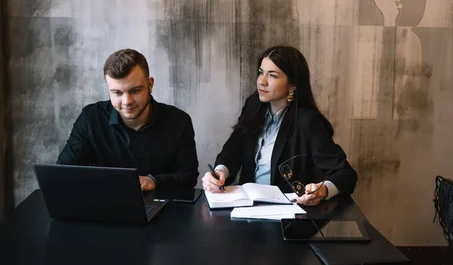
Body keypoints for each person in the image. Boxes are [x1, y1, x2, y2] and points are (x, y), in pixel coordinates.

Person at [202, 46, 357, 206]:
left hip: (288, 215)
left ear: (293, 85)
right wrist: (220, 172)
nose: (262, 81)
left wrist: (322, 190)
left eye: (273, 76)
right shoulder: (253, 106)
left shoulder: (308, 122)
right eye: (261, 72)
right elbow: (232, 151)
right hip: (247, 208)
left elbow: (345, 174)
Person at [57, 49, 199, 191]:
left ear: (150, 85)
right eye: (117, 93)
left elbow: (188, 177)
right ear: (108, 89)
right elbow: (64, 171)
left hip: (162, 206)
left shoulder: (179, 121)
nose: (127, 101)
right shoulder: (91, 118)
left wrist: (153, 181)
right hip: (101, 205)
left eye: (135, 90)